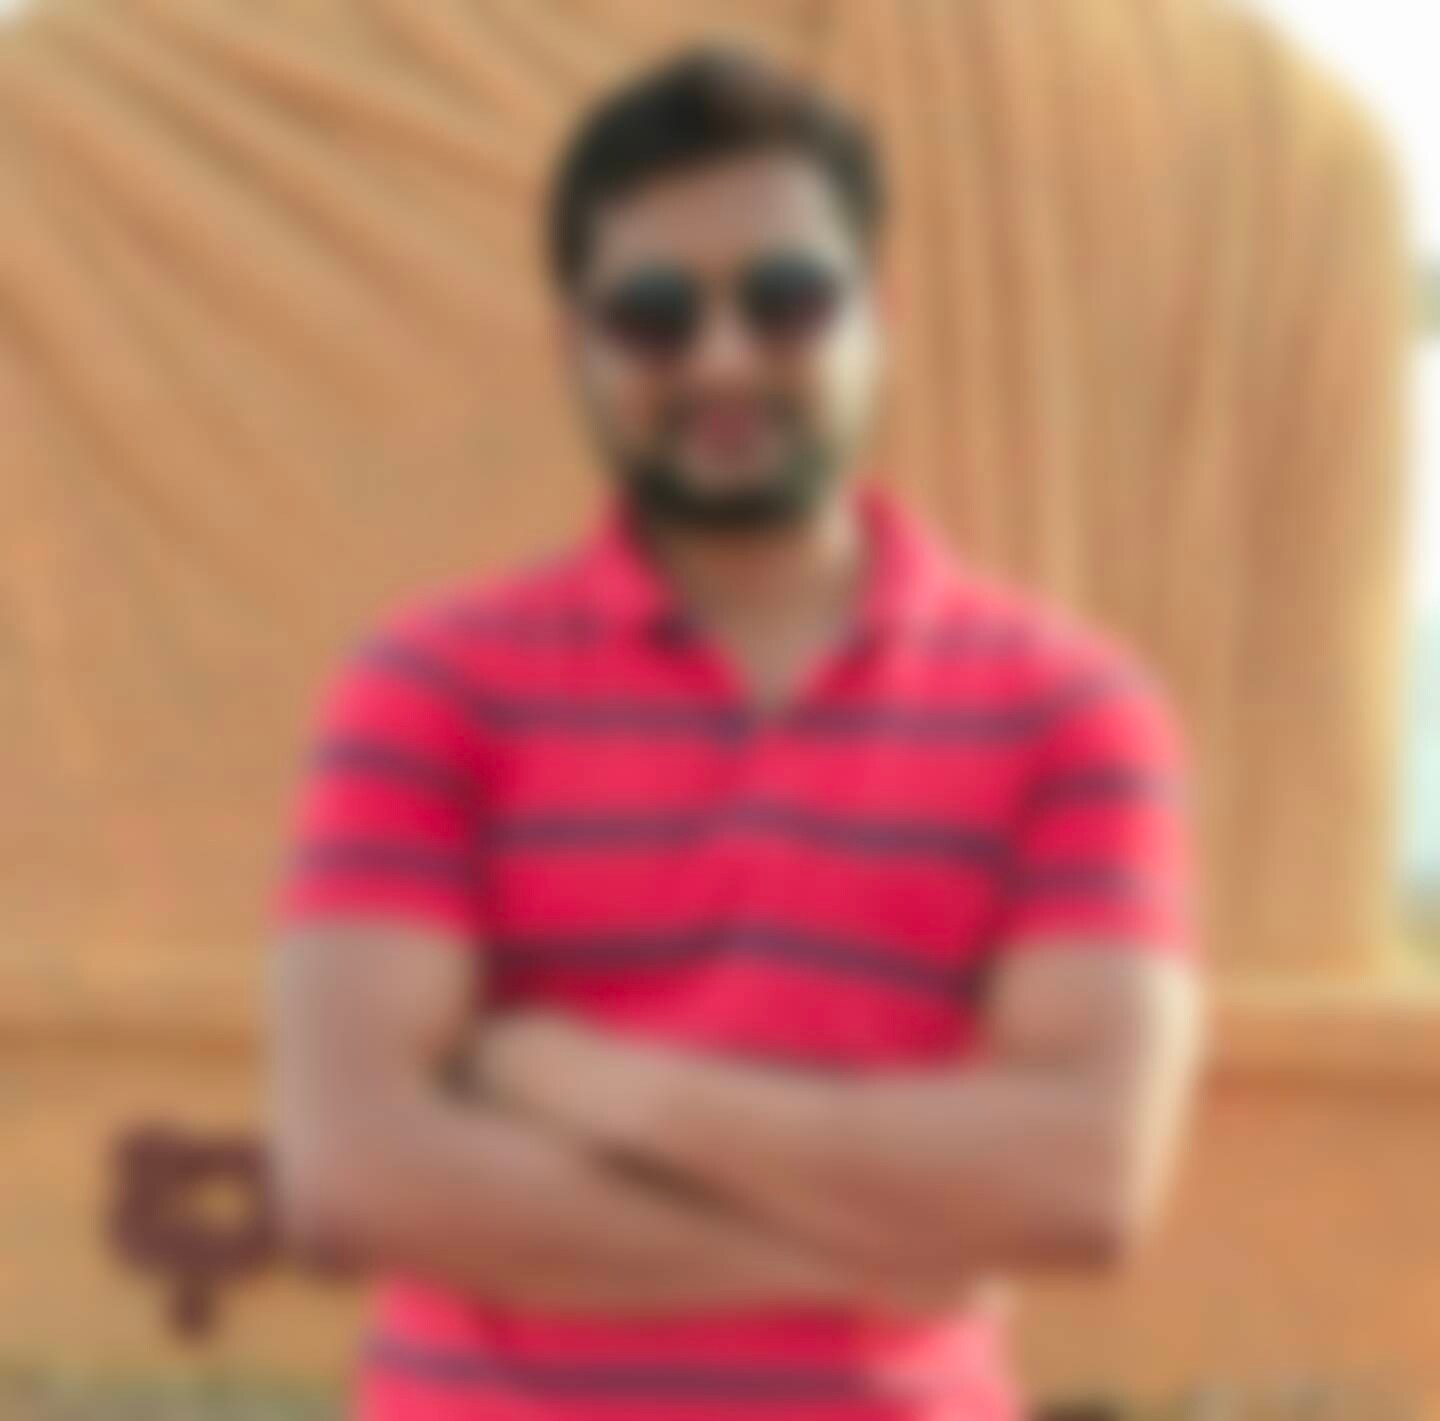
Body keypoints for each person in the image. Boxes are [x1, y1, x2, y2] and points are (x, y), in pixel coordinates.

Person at [267, 43, 1204, 1421]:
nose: (722, 356)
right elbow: (356, 1179)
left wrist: (601, 1085)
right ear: (574, 342)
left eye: (786, 299)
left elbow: (1081, 1181)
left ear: (878, 311)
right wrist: (865, 1246)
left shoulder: (1067, 708)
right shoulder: (429, 688)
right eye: (654, 313)